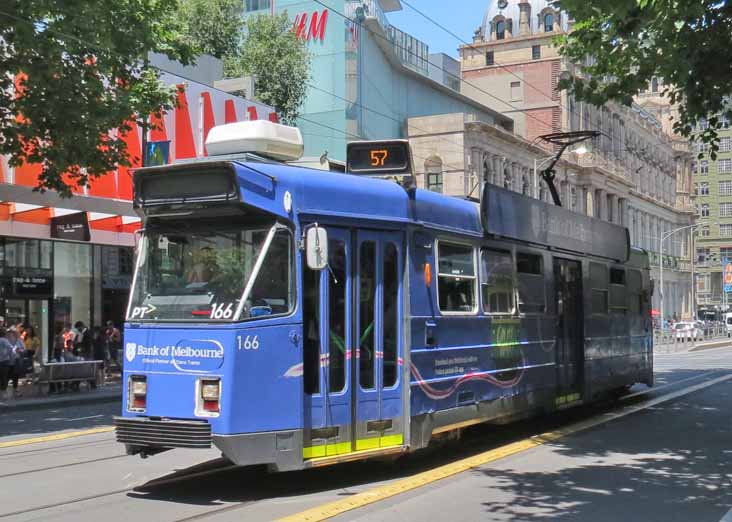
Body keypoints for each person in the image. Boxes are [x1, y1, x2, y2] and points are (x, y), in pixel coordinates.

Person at [7, 329, 26, 398]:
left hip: (16, 360)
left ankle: (15, 390)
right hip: (7, 361)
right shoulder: (6, 341)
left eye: (12, 333)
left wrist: (20, 350)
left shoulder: (19, 340)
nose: (10, 335)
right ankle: (4, 391)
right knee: (7, 376)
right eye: (9, 333)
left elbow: (24, 349)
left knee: (15, 375)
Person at [0, 329, 13, 399]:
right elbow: (10, 348)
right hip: (4, 361)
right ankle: (3, 391)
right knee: (4, 376)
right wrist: (7, 355)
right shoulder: (4, 340)